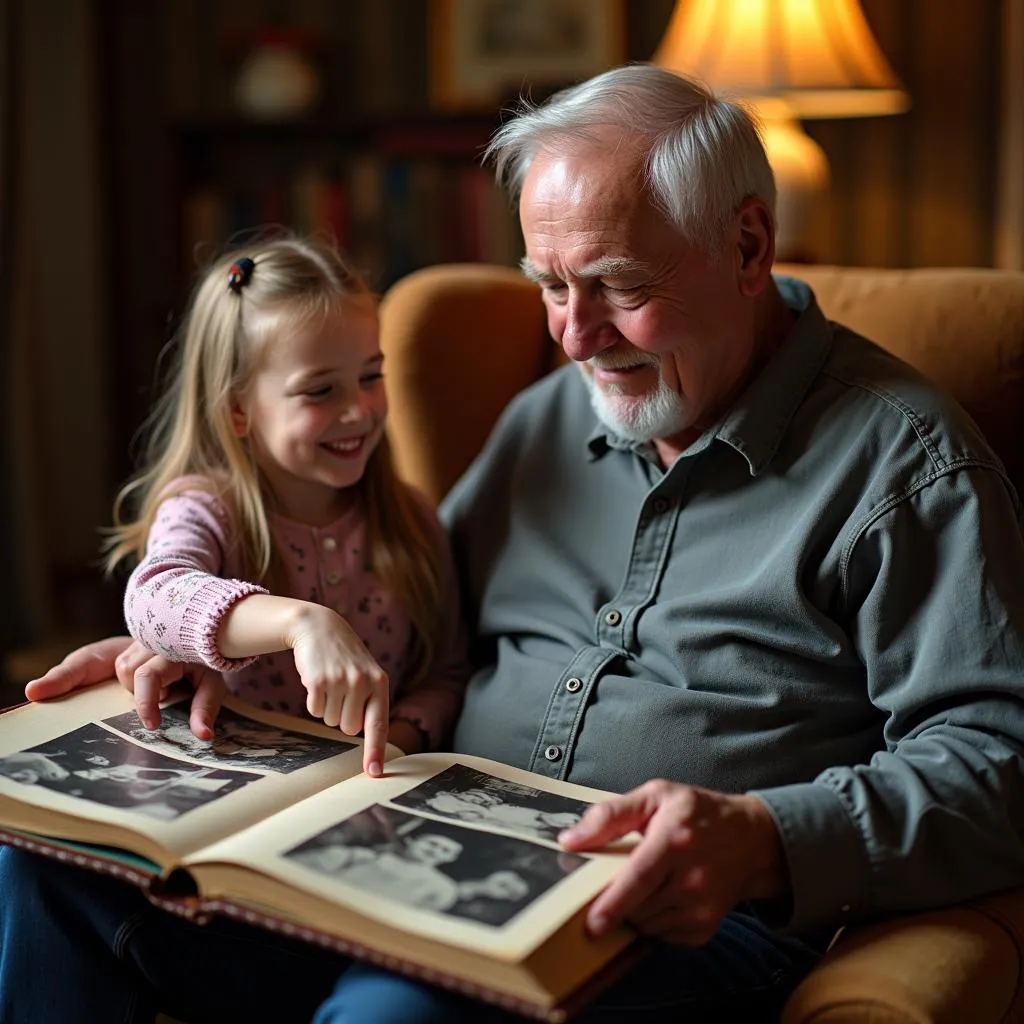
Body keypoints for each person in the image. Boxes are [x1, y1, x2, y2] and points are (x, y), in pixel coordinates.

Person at [4, 63, 1024, 1023]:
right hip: (402, 854)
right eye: (547, 284)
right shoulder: (548, 417)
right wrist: (191, 647)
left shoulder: (907, 467)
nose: (575, 337)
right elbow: (409, 617)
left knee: (397, 1008)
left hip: (678, 924)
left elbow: (995, 767)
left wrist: (764, 839)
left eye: (617, 285)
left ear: (749, 246)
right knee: (47, 870)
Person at [106, 235, 468, 778]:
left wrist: (395, 738)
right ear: (237, 412)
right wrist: (302, 622)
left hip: (371, 785)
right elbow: (154, 597)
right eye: (320, 391)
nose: (359, 411)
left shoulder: (411, 520)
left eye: (371, 376)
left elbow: (448, 672)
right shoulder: (209, 508)